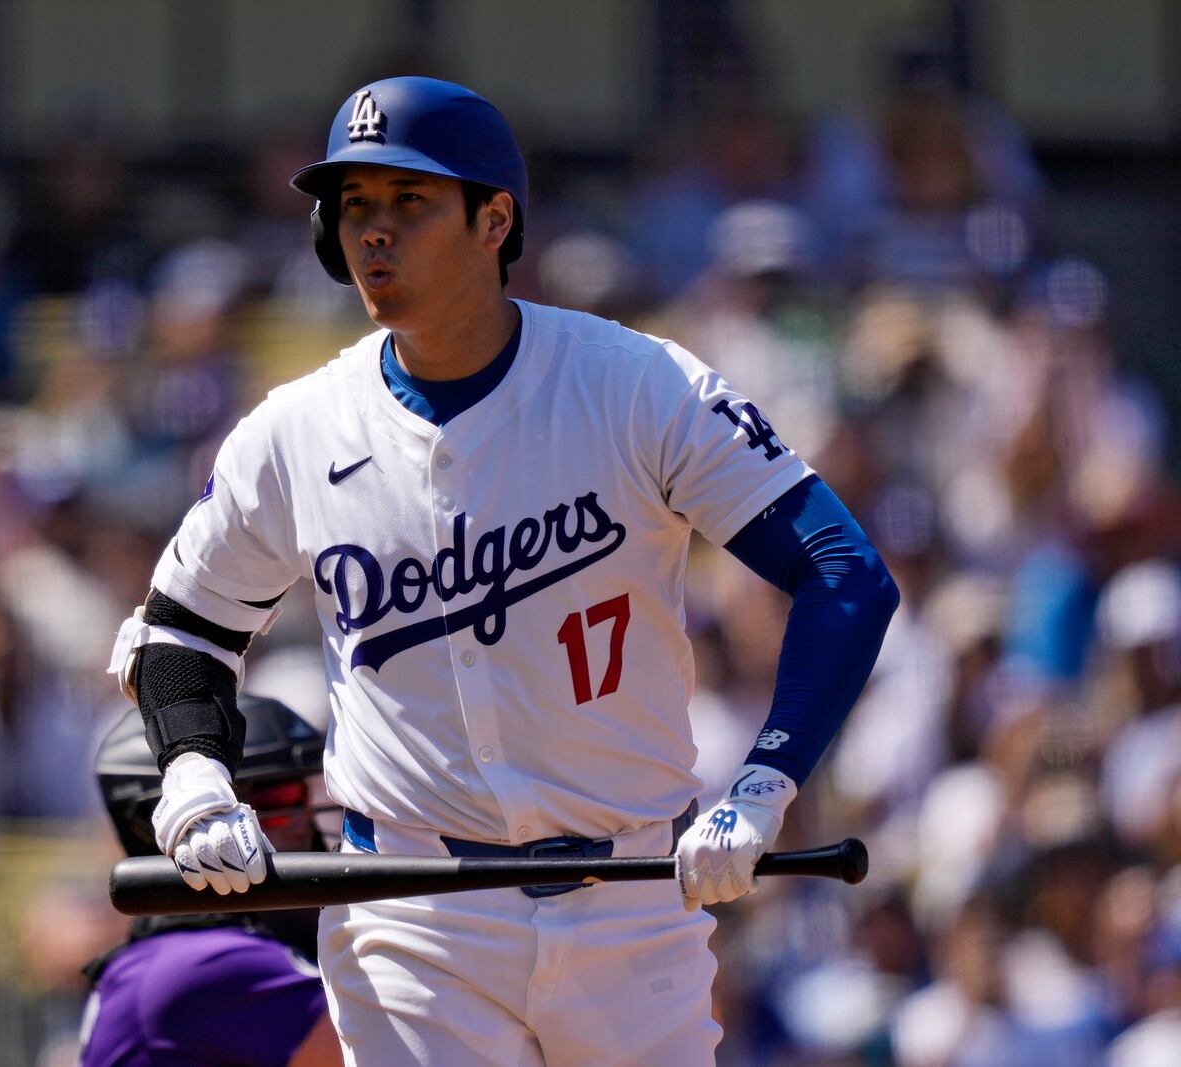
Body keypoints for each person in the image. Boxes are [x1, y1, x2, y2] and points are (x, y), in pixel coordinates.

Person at [106, 76, 900, 1066]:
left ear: (494, 220)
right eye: (354, 207)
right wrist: (190, 768)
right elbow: (181, 628)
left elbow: (843, 570)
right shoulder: (296, 429)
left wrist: (764, 780)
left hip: (628, 904)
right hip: (409, 911)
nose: (373, 234)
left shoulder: (635, 384)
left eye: (409, 202)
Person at [79, 695, 341, 1066]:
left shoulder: (173, 954)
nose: (301, 820)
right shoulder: (204, 963)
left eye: (299, 791)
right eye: (276, 796)